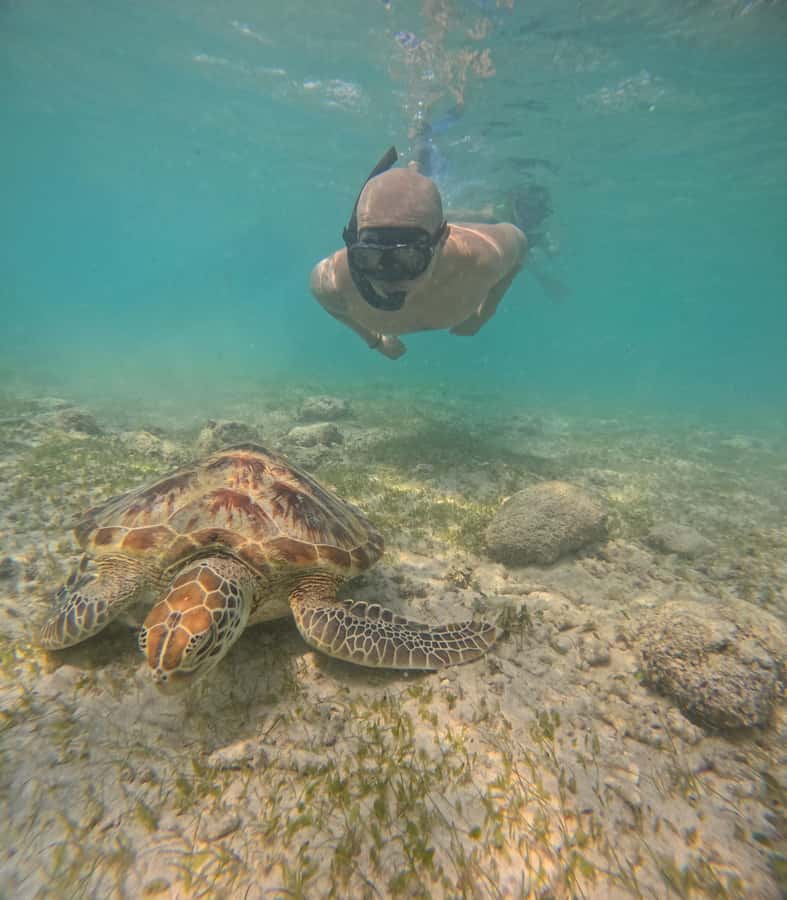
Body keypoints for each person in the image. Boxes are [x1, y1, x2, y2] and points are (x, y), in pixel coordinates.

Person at [309, 148, 526, 360]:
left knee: (419, 176)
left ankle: (418, 158)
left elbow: (519, 242)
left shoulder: (481, 259)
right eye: (370, 256)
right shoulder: (334, 282)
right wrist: (374, 341)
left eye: (409, 257)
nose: (390, 277)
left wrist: (485, 313)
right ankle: (416, 165)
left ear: (443, 239)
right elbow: (326, 299)